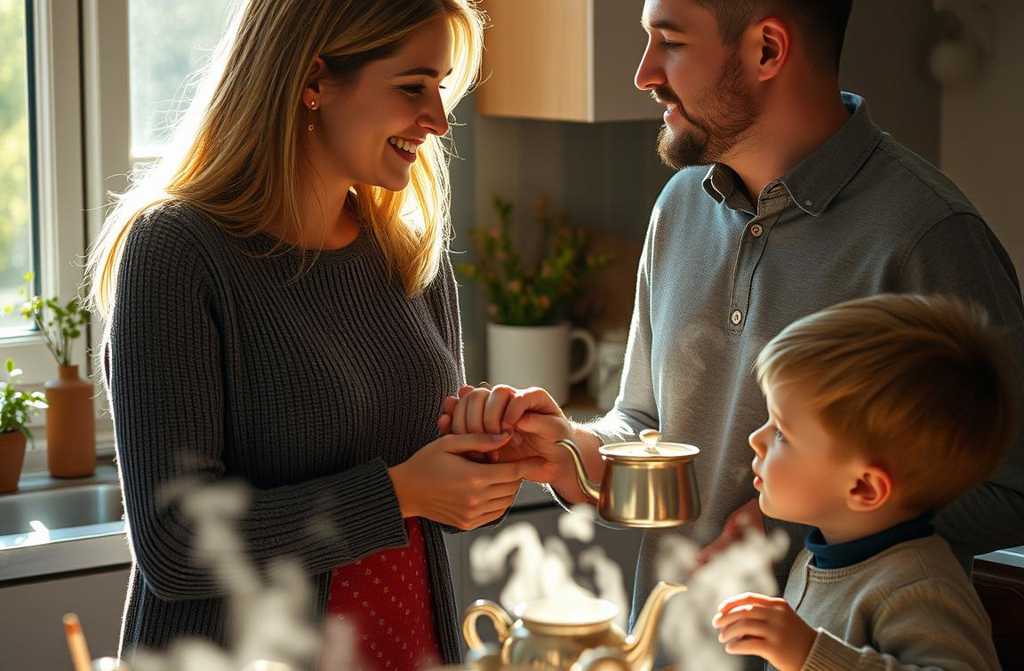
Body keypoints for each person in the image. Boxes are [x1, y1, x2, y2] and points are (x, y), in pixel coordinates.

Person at [441, 0, 1024, 658]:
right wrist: (574, 453)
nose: (643, 73)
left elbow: (1012, 488)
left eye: (670, 42)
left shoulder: (928, 235)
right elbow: (647, 424)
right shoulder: (679, 206)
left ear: (768, 50)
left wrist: (800, 521)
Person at [86, 2, 539, 669]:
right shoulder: (178, 252)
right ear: (314, 80)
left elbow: (435, 506)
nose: (438, 121)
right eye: (413, 87)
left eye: (441, 88)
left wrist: (483, 458)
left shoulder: (406, 253)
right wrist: (402, 491)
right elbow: (174, 545)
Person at [712, 293, 1007, 671]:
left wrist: (808, 654)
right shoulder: (817, 558)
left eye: (782, 432)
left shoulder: (917, 587)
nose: (757, 438)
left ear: (864, 488)